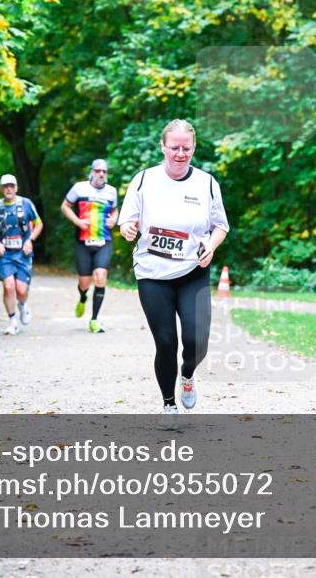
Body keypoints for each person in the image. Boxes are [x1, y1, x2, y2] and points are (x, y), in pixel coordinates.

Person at [118, 119, 229, 426]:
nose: (180, 154)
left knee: (197, 340)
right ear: (163, 147)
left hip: (193, 271)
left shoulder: (206, 183)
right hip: (153, 273)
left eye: (187, 148)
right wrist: (128, 228)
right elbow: (128, 220)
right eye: (174, 148)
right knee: (166, 341)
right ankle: (169, 404)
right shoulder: (144, 180)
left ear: (194, 148)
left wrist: (213, 245)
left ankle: (189, 374)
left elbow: (220, 225)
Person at [61, 159, 118, 333]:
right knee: (84, 283)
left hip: (104, 241)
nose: (101, 174)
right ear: (92, 172)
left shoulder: (111, 191)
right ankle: (83, 296)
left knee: (100, 276)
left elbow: (114, 210)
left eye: (104, 171)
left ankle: (94, 320)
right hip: (83, 242)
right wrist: (77, 221)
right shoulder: (79, 188)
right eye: (98, 171)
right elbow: (65, 206)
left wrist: (114, 219)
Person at [0, 174, 43, 335]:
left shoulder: (26, 204)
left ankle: (23, 305)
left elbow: (39, 224)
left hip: (23, 253)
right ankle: (12, 321)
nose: (8, 189)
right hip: (5, 254)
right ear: (1, 189)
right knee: (8, 286)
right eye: (5, 186)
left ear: (16, 188)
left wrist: (30, 240)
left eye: (11, 186)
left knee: (21, 290)